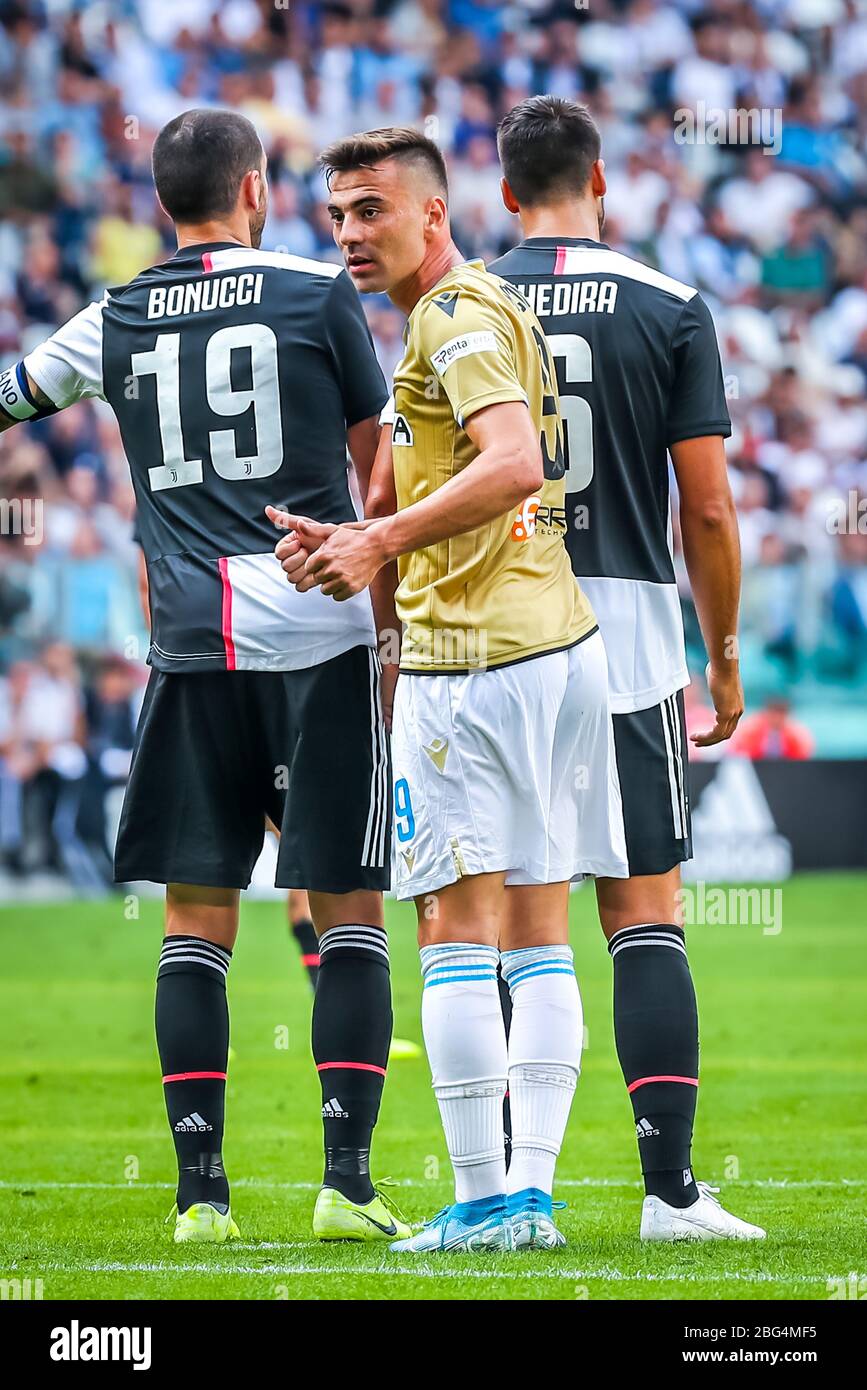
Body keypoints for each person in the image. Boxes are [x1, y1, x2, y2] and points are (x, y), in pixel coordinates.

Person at [0, 108, 411, 1247]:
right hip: (320, 636)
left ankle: (200, 1201)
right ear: (255, 186)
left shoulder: (117, 312)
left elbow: (14, 392)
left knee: (195, 920)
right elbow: (381, 468)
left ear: (162, 201)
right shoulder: (316, 287)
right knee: (349, 909)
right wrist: (387, 630)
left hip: (192, 644)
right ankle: (346, 1182)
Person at [271, 125, 628, 1253]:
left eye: (369, 209)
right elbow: (487, 475)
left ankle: (480, 1199)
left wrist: (379, 545)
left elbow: (516, 461)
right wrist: (371, 532)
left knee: (454, 932)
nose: (348, 234)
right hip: (558, 647)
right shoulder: (489, 305)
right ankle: (528, 1202)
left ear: (435, 211)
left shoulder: (454, 315)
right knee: (540, 931)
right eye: (335, 214)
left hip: (474, 665)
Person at [489, 95, 764, 1241]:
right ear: (600, 180)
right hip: (630, 639)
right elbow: (705, 505)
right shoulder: (671, 304)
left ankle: (508, 1191)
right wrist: (726, 654)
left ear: (505, 195)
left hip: (496, 634)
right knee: (644, 915)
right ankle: (669, 1194)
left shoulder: (462, 297)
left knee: (516, 922)